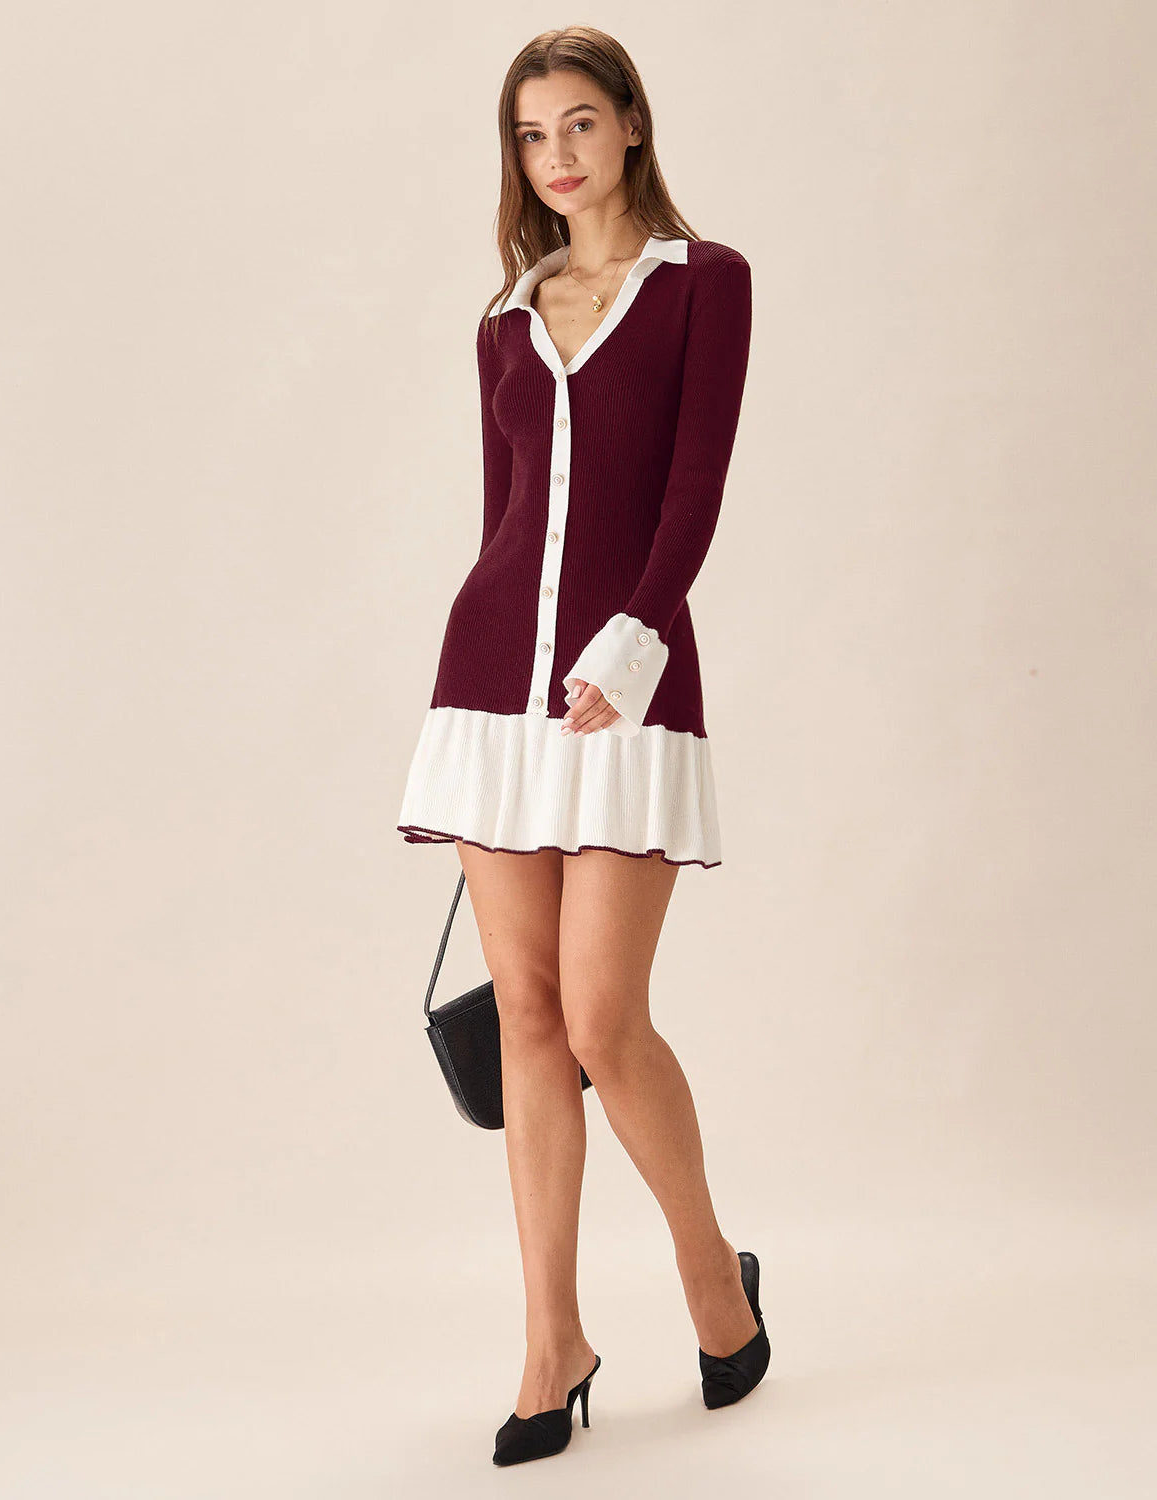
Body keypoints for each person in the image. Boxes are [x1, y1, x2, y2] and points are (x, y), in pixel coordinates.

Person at [396, 26, 770, 1465]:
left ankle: (710, 1275)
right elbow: (503, 517)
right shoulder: (506, 315)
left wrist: (636, 637)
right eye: (531, 134)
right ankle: (552, 1341)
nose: (556, 154)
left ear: (629, 127)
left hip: (627, 685)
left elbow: (695, 485)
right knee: (531, 1020)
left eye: (579, 124)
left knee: (607, 1020)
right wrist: (498, 664)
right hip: (493, 686)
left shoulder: (703, 284)